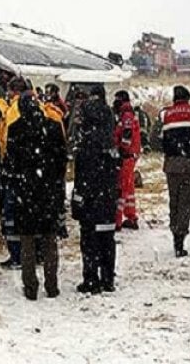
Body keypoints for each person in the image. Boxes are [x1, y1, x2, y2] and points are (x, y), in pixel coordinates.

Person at [5, 93, 67, 300]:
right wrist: (57, 184)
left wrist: (15, 184)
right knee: (50, 238)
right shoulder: (53, 127)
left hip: (25, 191)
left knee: (27, 241)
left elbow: (10, 163)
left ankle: (30, 285)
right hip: (48, 190)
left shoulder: (15, 129)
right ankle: (52, 285)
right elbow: (61, 160)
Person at [71, 85, 119, 294]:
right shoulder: (110, 144)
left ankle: (91, 278)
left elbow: (81, 178)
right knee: (107, 237)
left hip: (91, 198)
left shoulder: (85, 146)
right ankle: (107, 278)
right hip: (107, 196)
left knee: (89, 238)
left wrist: (78, 199)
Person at [157, 86, 190, 257]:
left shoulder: (164, 114)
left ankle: (175, 233)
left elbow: (155, 138)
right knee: (185, 202)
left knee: (174, 200)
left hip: (171, 164)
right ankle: (180, 238)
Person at [0, 76, 28, 269]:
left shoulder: (15, 110)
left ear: (13, 92)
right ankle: (29, 253)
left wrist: (5, 158)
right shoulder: (34, 106)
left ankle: (16, 254)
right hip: (29, 168)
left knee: (11, 213)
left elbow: (10, 138)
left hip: (14, 166)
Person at [113, 90, 141, 230]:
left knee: (121, 188)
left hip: (126, 156)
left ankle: (117, 220)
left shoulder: (127, 116)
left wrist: (121, 150)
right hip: (130, 156)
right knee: (129, 189)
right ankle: (131, 216)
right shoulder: (127, 114)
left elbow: (127, 134)